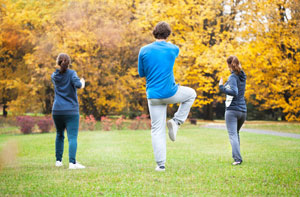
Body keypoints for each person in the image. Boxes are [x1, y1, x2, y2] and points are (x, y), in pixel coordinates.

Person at [138, 22, 197, 171]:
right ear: (168, 34)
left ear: (154, 33)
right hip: (171, 93)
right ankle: (176, 121)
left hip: (153, 95)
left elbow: (141, 73)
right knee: (191, 94)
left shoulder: (144, 50)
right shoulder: (173, 49)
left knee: (157, 130)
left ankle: (161, 165)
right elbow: (171, 50)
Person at [51, 53, 86, 169]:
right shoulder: (72, 73)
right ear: (69, 63)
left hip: (57, 111)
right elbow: (78, 85)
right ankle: (72, 163)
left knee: (59, 134)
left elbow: (59, 78)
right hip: (71, 110)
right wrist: (83, 82)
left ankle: (58, 161)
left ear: (58, 62)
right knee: (72, 137)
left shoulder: (54, 75)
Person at [219, 55, 247, 165]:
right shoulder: (242, 76)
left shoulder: (232, 77)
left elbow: (234, 92)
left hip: (232, 111)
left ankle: (237, 159)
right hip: (243, 111)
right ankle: (237, 156)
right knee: (236, 133)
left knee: (233, 134)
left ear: (229, 65)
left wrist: (221, 87)